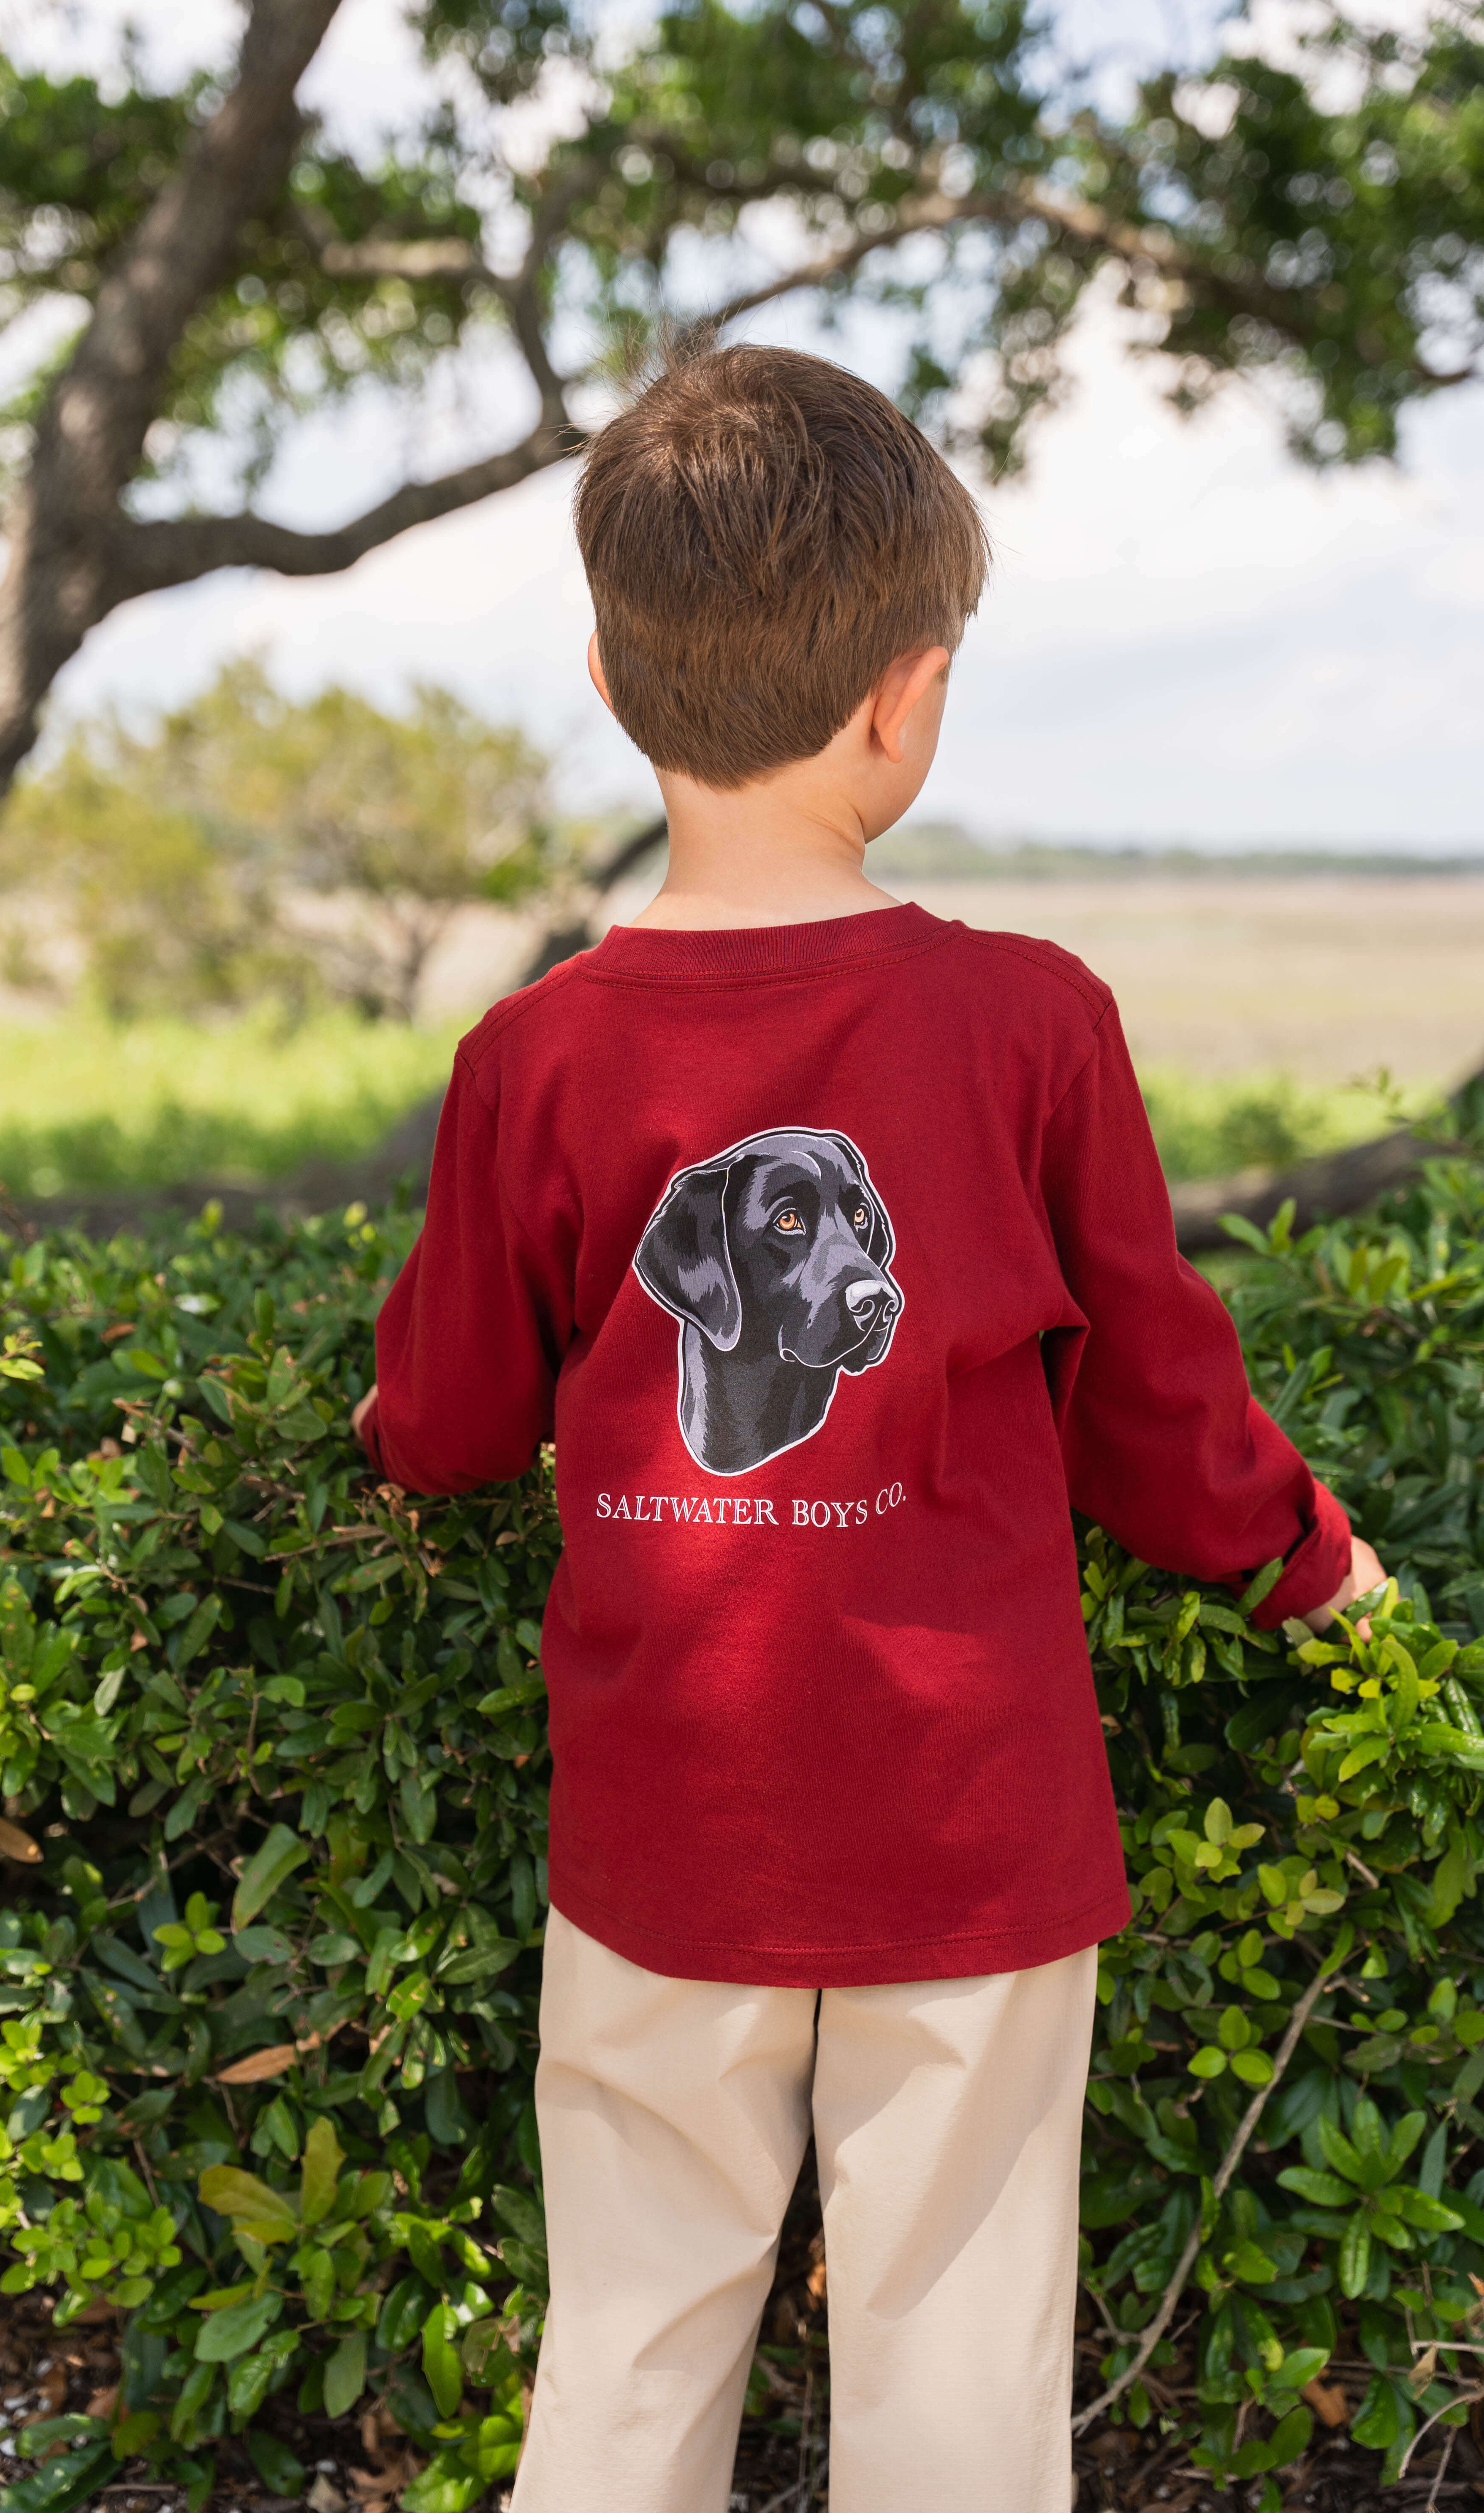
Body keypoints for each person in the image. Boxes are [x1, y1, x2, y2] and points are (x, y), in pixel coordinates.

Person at [352, 341, 1384, 2513]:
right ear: (907, 696)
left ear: (623, 685)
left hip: (657, 1836)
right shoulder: (1029, 1023)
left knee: (630, 2336)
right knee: (954, 2361)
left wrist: (381, 1416)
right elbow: (1151, 1387)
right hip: (974, 1840)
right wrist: (1308, 1560)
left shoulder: (531, 1061)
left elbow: (439, 1424)